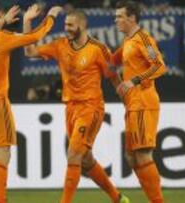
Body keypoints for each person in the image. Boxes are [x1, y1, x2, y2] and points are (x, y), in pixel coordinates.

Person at [24, 8, 130, 203]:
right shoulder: (60, 45)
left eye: (70, 25)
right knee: (86, 160)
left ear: (82, 25)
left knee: (73, 154)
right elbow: (29, 51)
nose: (67, 29)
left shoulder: (98, 49)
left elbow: (114, 77)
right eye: (65, 25)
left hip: (91, 108)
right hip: (70, 108)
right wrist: (27, 22)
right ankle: (118, 198)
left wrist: (127, 103)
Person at [0, 1, 62, 202]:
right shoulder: (2, 38)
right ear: (0, 14)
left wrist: (3, 21)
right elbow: (34, 37)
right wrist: (50, 16)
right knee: (2, 156)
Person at [112, 1, 168, 203]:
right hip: (132, 105)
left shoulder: (143, 39)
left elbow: (160, 67)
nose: (116, 20)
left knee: (143, 155)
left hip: (144, 102)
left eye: (119, 16)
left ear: (132, 18)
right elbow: (111, 61)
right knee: (131, 157)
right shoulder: (128, 41)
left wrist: (134, 80)